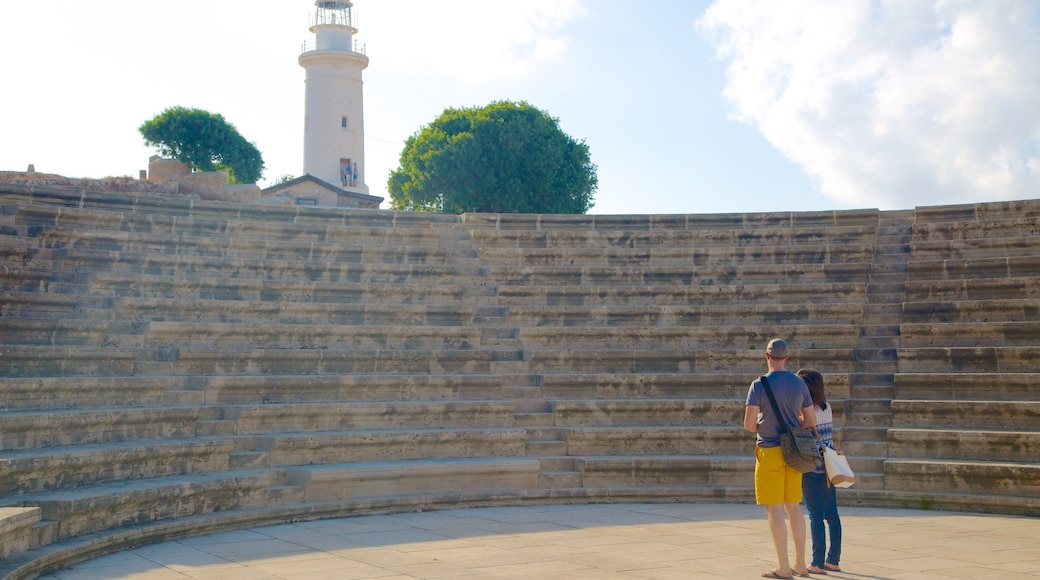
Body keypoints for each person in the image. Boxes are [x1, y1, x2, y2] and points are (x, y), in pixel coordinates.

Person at [744, 338, 817, 579]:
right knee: (794, 508)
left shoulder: (759, 385)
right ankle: (801, 563)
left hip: (769, 450)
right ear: (787, 358)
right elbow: (810, 421)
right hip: (794, 452)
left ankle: (784, 567)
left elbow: (749, 424)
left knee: (775, 511)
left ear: (766, 356)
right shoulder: (799, 384)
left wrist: (764, 424)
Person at [797, 368, 842, 574]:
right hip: (829, 466)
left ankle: (816, 562)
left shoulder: (804, 410)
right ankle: (833, 559)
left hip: (812, 465)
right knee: (831, 514)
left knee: (815, 515)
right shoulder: (827, 407)